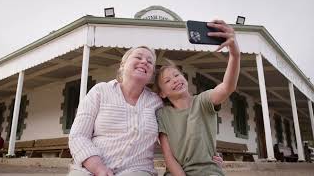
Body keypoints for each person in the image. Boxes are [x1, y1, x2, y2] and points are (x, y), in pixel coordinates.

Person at [154, 19, 240, 176]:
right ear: (162, 93)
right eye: (167, 80)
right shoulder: (163, 114)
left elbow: (228, 86)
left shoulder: (203, 101)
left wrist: (235, 54)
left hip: (209, 171)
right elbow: (169, 157)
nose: (175, 80)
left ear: (184, 78)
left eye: (177, 75)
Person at [68, 46, 163, 176]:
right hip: (89, 169)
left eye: (150, 61)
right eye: (138, 57)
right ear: (123, 64)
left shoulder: (157, 102)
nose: (144, 61)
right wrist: (98, 168)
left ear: (151, 73)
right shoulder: (100, 91)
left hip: (137, 170)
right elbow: (78, 136)